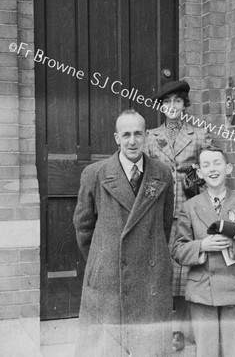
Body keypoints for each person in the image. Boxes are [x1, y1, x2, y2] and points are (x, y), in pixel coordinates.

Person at [73, 109, 174, 357]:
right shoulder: (95, 174)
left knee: (148, 347)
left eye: (138, 134)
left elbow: (164, 224)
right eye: (126, 134)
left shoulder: (162, 173)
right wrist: (104, 257)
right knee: (107, 348)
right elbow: (83, 226)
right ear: (116, 138)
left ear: (146, 136)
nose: (132, 141)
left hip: (149, 275)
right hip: (108, 275)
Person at [172, 145, 235, 357]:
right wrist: (201, 246)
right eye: (206, 165)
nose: (212, 169)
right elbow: (178, 250)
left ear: (229, 168)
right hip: (202, 290)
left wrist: (233, 244)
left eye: (218, 163)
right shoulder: (190, 207)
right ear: (199, 173)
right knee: (206, 351)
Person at [144, 80, 211, 351]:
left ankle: (182, 329)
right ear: (160, 106)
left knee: (185, 270)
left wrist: (195, 178)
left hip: (189, 206)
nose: (172, 107)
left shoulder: (199, 134)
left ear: (185, 105)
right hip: (158, 210)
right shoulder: (149, 136)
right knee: (162, 269)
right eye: (167, 102)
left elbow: (209, 169)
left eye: (178, 101)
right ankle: (166, 328)